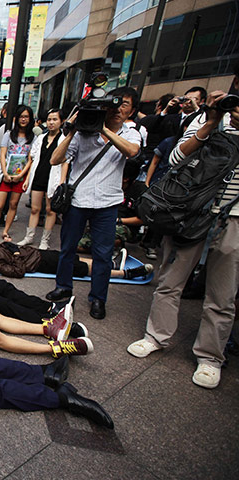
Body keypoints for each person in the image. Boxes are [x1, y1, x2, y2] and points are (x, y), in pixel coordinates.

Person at [127, 77, 239, 389]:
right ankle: (156, 336)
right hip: (190, 213)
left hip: (234, 218)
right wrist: (212, 121)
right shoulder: (208, 119)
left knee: (222, 294)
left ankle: (210, 356)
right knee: (169, 281)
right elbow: (176, 158)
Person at [46, 87, 142, 319]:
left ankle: (98, 298)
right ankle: (63, 288)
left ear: (132, 109)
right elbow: (55, 159)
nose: (119, 109)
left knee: (103, 253)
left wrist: (105, 131)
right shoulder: (82, 133)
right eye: (115, 104)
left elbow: (132, 152)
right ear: (106, 106)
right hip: (78, 200)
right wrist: (71, 132)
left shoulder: (131, 133)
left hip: (108, 204)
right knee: (67, 247)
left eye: (125, 105)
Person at [0, 243, 153, 280]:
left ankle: (109, 262)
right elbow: (18, 271)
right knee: (78, 268)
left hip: (38, 254)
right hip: (39, 264)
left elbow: (6, 244)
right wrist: (17, 253)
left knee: (72, 258)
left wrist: (14, 248)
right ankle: (124, 273)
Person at [18, 108, 65, 249]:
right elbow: (32, 159)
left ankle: (45, 240)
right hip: (38, 175)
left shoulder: (63, 140)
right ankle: (29, 237)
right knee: (34, 209)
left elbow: (66, 162)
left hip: (54, 178)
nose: (51, 122)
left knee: (51, 210)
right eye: (49, 119)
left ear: (61, 121)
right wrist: (27, 180)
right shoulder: (40, 138)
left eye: (55, 119)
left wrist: (62, 182)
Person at [0, 106, 35, 241]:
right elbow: (2, 154)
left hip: (20, 175)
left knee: (13, 204)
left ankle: (6, 231)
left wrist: (22, 176)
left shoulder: (33, 137)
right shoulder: (9, 134)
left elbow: (31, 159)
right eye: (21, 116)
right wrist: (4, 172)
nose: (24, 119)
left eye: (26, 117)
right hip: (6, 173)